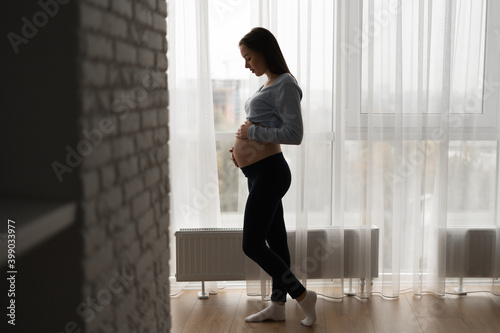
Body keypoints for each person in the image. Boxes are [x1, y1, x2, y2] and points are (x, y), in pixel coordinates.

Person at [229, 27, 317, 327]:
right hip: (258, 173)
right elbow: (266, 125)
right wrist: (241, 152)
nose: (246, 64)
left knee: (251, 244)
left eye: (249, 57)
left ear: (265, 51)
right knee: (277, 242)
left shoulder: (286, 85)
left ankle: (303, 296)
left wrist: (251, 134)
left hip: (271, 173)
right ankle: (278, 307)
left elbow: (295, 134)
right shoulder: (269, 84)